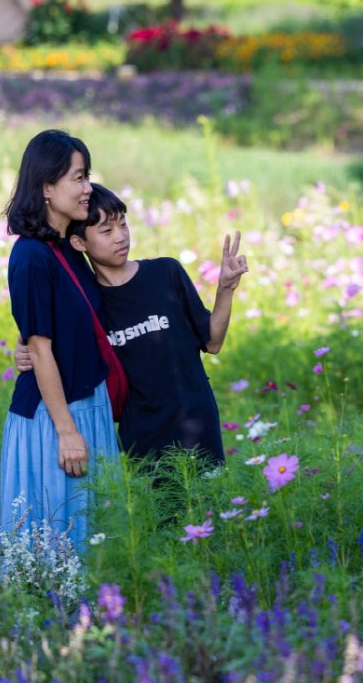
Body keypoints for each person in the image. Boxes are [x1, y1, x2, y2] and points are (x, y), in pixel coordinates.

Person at [16, 183, 247, 473]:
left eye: (123, 224)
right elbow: (53, 347)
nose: (121, 236)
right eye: (106, 230)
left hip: (198, 425)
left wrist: (225, 289)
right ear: (79, 243)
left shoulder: (166, 273)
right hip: (141, 438)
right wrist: (22, 349)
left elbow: (212, 342)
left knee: (209, 498)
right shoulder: (89, 304)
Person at [0, 130, 118, 554]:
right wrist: (67, 432)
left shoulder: (70, 248)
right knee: (53, 548)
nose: (88, 189)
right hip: (55, 420)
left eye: (88, 177)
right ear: (46, 187)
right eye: (78, 178)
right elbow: (41, 348)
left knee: (95, 547)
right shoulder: (31, 255)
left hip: (89, 406)